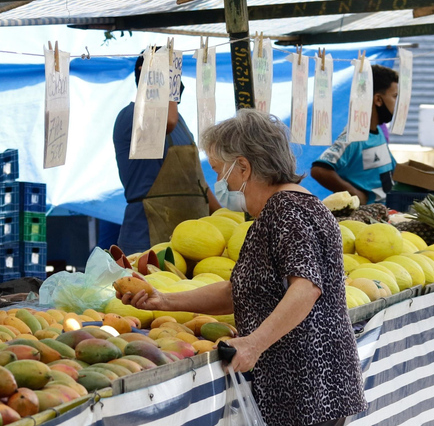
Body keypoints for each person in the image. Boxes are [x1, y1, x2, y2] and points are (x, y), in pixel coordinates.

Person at [119, 109, 366, 426]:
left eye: (219, 171)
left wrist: (254, 343)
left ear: (244, 167)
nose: (218, 182)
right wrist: (164, 300)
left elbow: (306, 287)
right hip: (306, 388)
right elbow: (240, 292)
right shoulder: (291, 208)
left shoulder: (286, 210)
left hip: (306, 388)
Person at [113, 50, 219, 255]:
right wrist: (160, 80)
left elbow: (198, 182)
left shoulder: (181, 123)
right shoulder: (131, 116)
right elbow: (167, 122)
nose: (175, 85)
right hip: (147, 236)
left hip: (190, 238)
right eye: (170, 77)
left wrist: (224, 215)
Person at [311, 65, 399, 204]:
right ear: (378, 100)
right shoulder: (353, 137)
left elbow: (392, 169)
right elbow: (319, 170)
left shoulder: (379, 132)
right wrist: (355, 194)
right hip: (365, 221)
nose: (398, 104)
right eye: (395, 96)